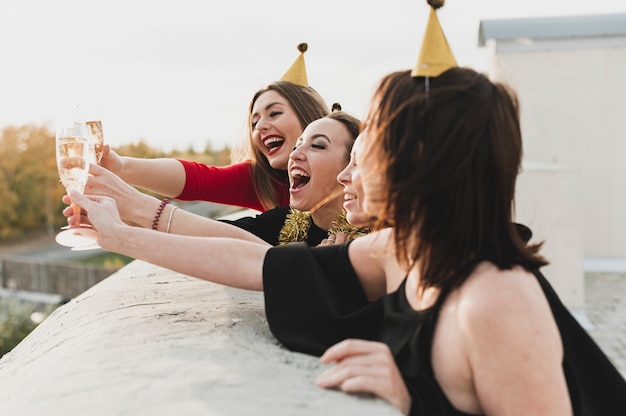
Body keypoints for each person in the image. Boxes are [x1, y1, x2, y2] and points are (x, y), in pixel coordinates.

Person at [69, 1, 626, 414]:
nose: (350, 172)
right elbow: (260, 264)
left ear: (419, 163)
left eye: (365, 152)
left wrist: (417, 398)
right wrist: (122, 233)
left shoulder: (499, 299)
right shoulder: (398, 248)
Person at [66, 109, 368, 247]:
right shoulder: (284, 219)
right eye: (298, 144)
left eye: (316, 145)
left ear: (354, 167)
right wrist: (119, 215)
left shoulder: (374, 238)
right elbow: (219, 234)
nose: (261, 126)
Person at [100, 43, 329, 212]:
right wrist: (121, 166)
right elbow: (197, 179)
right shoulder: (261, 181)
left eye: (275, 113)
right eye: (254, 122)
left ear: (309, 115)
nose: (260, 127)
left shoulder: (354, 167)